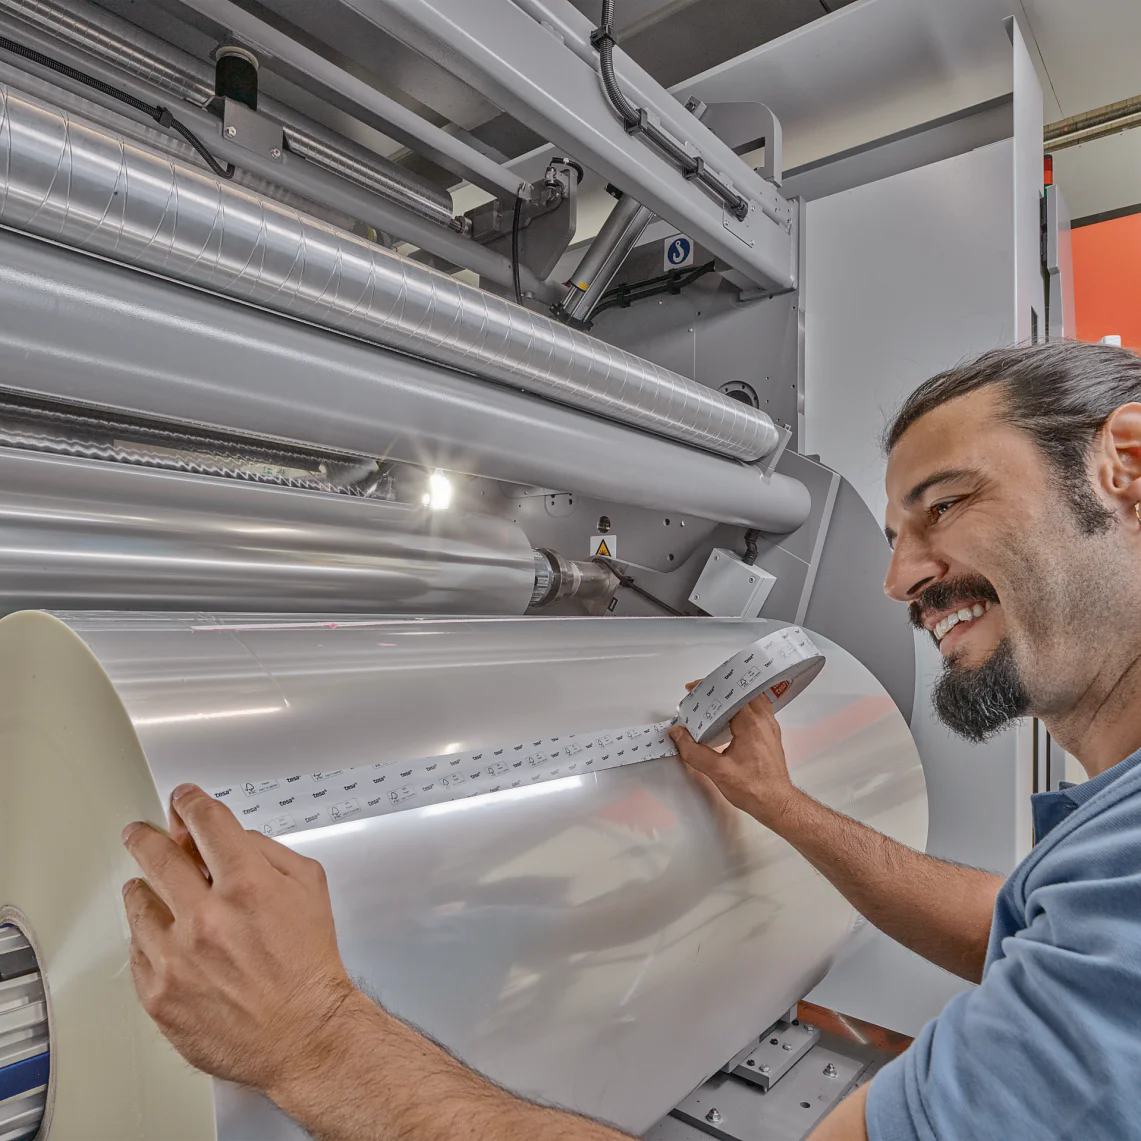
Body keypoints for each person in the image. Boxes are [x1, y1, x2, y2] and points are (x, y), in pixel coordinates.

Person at [122, 340, 1141, 1141]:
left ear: (1125, 462)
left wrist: (312, 1036)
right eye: (890, 537)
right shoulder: (1109, 844)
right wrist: (777, 806)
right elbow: (1015, 931)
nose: (898, 578)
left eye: (945, 505)